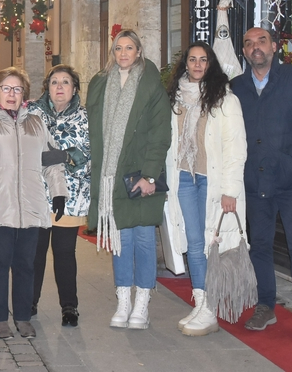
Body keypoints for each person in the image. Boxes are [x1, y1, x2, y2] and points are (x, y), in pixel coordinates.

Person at [230, 27, 292, 341]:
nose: (255, 48)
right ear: (244, 52)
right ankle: (265, 305)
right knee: (259, 246)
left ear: (274, 46)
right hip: (255, 183)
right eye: (248, 43)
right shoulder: (236, 88)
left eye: (261, 41)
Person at [0, 67, 68, 340]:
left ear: (24, 95)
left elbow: (50, 160)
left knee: (26, 265)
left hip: (30, 206)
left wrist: (58, 193)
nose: (11, 94)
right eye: (6, 88)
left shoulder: (36, 123)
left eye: (17, 89)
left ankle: (22, 317)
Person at [87, 29, 171, 330]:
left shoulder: (151, 85)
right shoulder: (98, 84)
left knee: (145, 240)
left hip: (139, 174)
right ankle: (123, 301)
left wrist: (150, 175)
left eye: (129, 48)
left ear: (139, 52)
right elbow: (91, 129)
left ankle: (142, 304)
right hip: (110, 175)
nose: (123, 53)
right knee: (120, 240)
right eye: (118, 48)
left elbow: (160, 134)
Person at [164, 42, 247, 336]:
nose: (197, 64)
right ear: (185, 64)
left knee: (212, 242)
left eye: (203, 60)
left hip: (213, 183)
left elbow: (236, 149)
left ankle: (211, 307)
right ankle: (201, 302)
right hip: (185, 178)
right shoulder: (177, 99)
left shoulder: (225, 100)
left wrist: (230, 191)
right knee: (194, 243)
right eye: (192, 59)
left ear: (211, 64)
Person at [27, 64, 91, 327]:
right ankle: (29, 301)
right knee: (35, 252)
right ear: (47, 88)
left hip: (70, 196)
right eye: (55, 82)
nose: (60, 87)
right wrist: (63, 155)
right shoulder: (32, 113)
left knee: (64, 252)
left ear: (74, 89)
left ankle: (69, 306)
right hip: (36, 194)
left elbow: (86, 155)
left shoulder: (85, 118)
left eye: (66, 82)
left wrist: (60, 156)